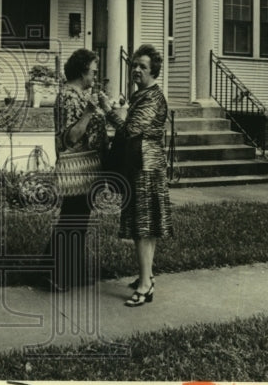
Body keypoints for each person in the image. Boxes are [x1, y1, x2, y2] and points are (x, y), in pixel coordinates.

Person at [100, 43, 173, 308]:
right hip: (140, 165)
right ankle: (147, 276)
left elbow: (130, 129)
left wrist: (108, 111)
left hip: (146, 168)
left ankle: (145, 286)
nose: (136, 70)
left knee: (143, 228)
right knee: (145, 227)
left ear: (154, 70)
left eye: (142, 66)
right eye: (134, 65)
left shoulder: (152, 97)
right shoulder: (141, 94)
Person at [45, 48, 107, 291]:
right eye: (93, 70)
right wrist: (90, 112)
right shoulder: (68, 97)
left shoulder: (81, 93)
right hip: (78, 166)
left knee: (77, 219)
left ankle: (64, 272)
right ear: (83, 71)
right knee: (72, 219)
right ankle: (57, 274)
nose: (95, 75)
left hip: (88, 166)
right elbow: (70, 138)